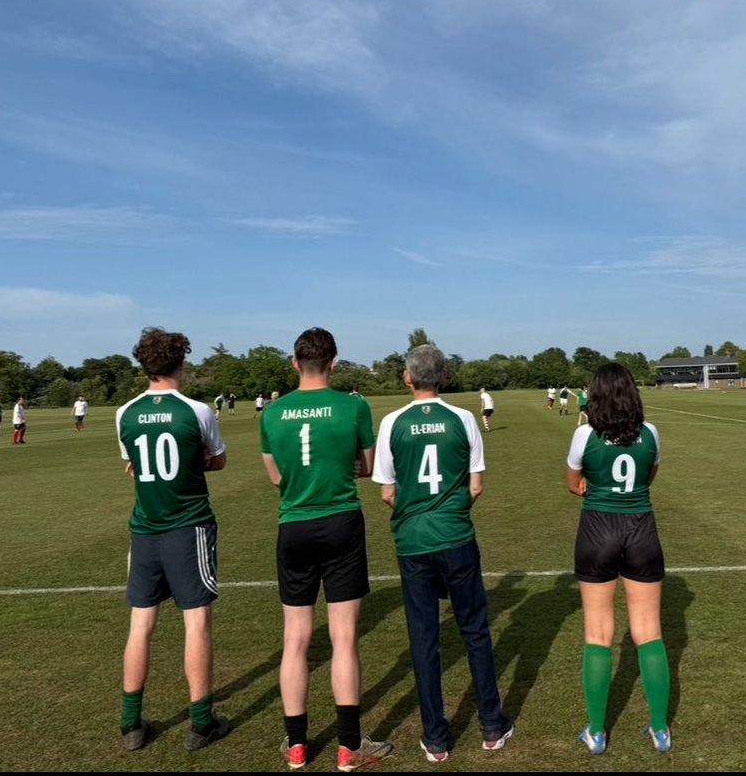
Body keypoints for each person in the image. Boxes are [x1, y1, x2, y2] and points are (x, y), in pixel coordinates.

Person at [259, 327, 394, 772]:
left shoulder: (272, 412)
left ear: (295, 363)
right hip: (341, 523)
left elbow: (276, 477)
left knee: (295, 639)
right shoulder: (353, 404)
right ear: (334, 363)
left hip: (293, 526)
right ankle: (348, 746)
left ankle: (296, 746)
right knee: (343, 638)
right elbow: (368, 465)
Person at [371, 344, 514, 763]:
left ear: (407, 377)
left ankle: (436, 737)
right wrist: (448, 513)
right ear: (446, 376)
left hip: (413, 544)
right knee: (475, 631)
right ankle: (492, 726)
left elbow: (386, 492)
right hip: (456, 539)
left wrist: (417, 516)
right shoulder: (463, 419)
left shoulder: (393, 422)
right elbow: (475, 487)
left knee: (424, 639)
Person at [114, 327, 229, 753]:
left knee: (140, 625)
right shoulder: (197, 411)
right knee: (195, 622)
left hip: (144, 531)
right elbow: (217, 460)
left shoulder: (124, 412)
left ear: (144, 364)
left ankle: (130, 724)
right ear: (181, 360)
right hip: (188, 528)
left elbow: (133, 466)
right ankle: (201, 723)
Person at [565, 362, 671, 755]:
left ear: (596, 394)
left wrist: (596, 488)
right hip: (641, 528)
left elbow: (573, 483)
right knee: (649, 630)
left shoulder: (583, 434)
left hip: (597, 530)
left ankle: (597, 732)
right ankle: (660, 730)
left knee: (597, 633)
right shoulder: (651, 433)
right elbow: (648, 477)